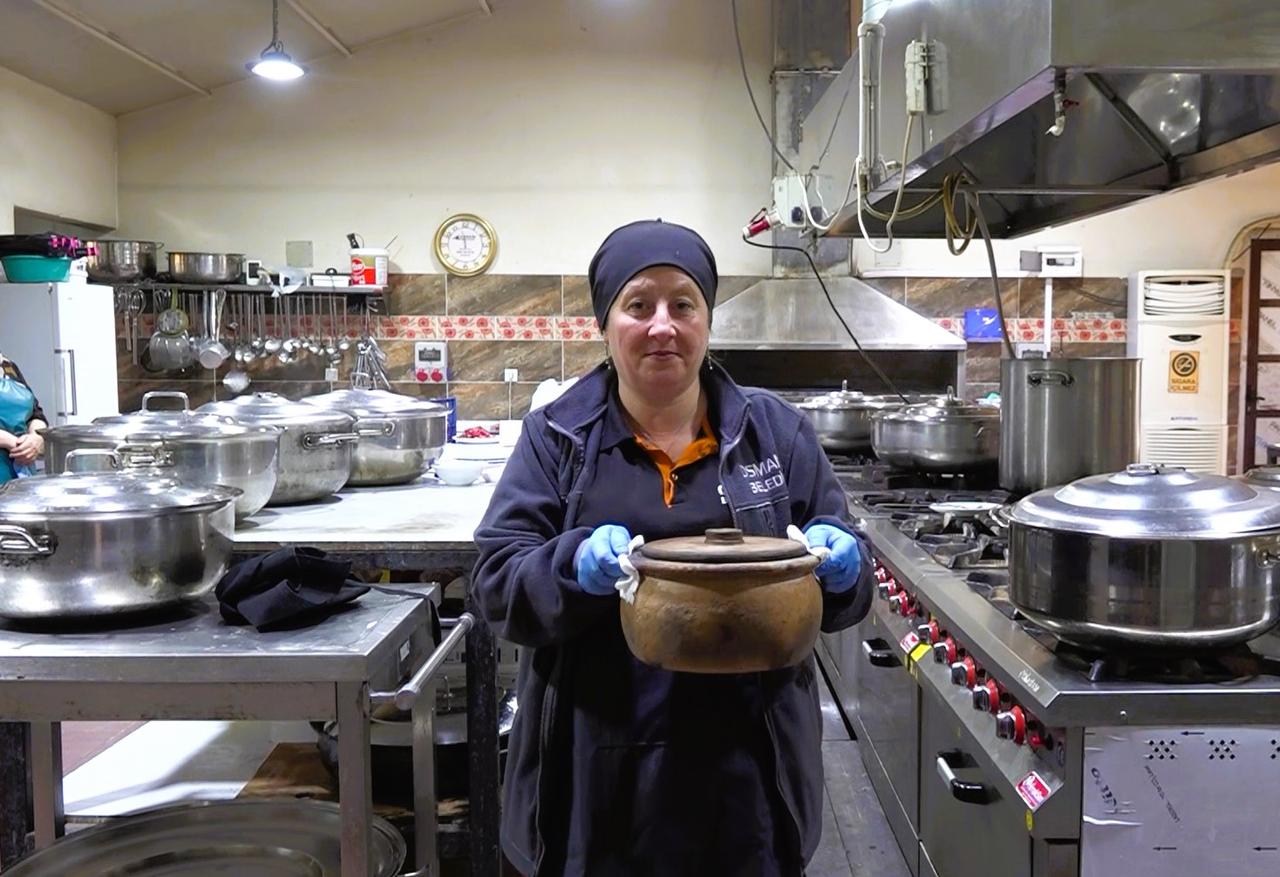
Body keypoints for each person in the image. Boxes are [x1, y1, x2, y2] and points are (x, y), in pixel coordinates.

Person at [471, 219, 873, 876]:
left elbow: (850, 591)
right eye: (638, 305)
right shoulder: (557, 438)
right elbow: (496, 582)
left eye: (683, 304)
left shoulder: (775, 434)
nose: (663, 325)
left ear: (707, 321)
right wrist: (570, 565)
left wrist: (845, 568)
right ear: (605, 325)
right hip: (595, 771)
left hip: (750, 771)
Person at [0, 354, 47, 483]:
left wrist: (36, 438)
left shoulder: (9, 366)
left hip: (20, 480)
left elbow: (35, 413)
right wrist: (9, 441)